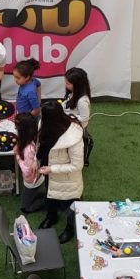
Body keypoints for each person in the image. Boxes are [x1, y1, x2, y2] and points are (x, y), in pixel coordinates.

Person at [38, 100, 84, 243]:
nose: (41, 118)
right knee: (50, 195)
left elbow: (77, 165)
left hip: (67, 179)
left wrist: (52, 169)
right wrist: (36, 160)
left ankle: (70, 229)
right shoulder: (45, 125)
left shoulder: (73, 137)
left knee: (70, 206)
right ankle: (51, 217)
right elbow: (40, 144)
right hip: (49, 171)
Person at [14, 111, 46, 213]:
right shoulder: (34, 137)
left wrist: (17, 155)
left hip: (32, 180)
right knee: (31, 194)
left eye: (17, 127)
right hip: (36, 177)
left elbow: (27, 171)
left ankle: (47, 201)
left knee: (25, 208)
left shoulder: (28, 150)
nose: (15, 128)